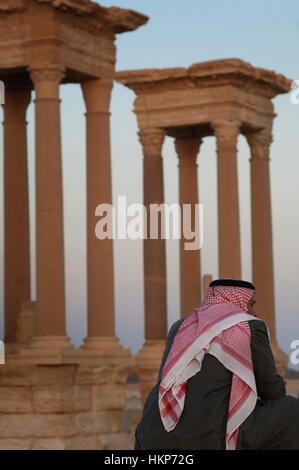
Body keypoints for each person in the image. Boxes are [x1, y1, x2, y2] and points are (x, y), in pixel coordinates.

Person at [134, 278, 299, 450]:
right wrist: (279, 383)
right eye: (252, 304)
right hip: (210, 436)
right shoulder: (250, 326)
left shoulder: (180, 326)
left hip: (152, 434)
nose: (255, 312)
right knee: (291, 410)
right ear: (239, 303)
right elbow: (271, 390)